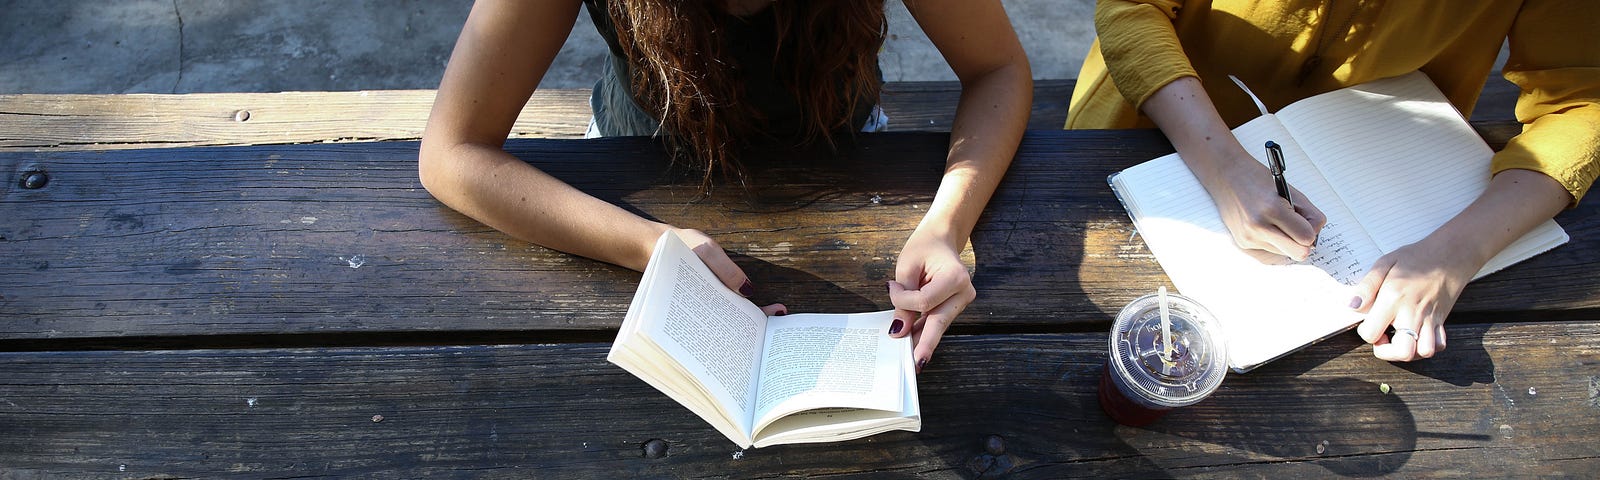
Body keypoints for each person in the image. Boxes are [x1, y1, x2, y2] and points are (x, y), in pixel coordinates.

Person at [418, 0, 1032, 372]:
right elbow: (451, 153)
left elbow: (998, 68)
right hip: (632, 178)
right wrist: (649, 245)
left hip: (848, 158)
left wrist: (946, 225)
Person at [1067, 1, 1599, 362]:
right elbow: (1133, 9)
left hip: (1394, 173)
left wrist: (1457, 250)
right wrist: (1223, 165)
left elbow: (1584, 101)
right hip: (1150, 126)